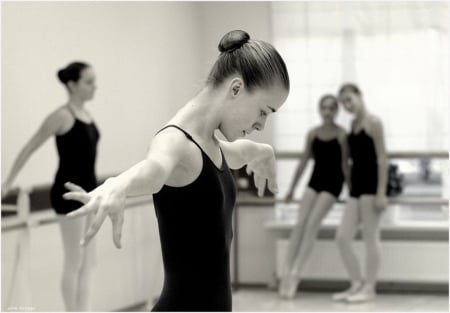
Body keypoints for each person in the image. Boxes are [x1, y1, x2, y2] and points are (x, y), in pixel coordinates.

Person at [62, 30, 290, 311]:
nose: (260, 126)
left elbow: (238, 154)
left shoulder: (209, 145)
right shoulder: (175, 141)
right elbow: (154, 171)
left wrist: (263, 152)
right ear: (235, 89)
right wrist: (117, 184)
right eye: (263, 112)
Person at [2, 61, 99, 311]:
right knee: (74, 261)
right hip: (67, 194)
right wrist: (7, 183)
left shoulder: (87, 116)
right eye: (88, 82)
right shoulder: (61, 117)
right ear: (72, 85)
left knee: (89, 262)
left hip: (90, 193)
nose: (94, 87)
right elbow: (29, 148)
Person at [279, 94, 349, 299]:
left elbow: (345, 164)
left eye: (331, 108)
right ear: (320, 110)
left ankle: (295, 275)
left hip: (333, 184)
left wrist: (352, 190)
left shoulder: (342, 134)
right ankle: (285, 272)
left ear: (336, 111)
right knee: (299, 224)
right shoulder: (313, 134)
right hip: (315, 181)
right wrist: (291, 189)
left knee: (311, 225)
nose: (328, 112)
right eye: (324, 108)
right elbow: (303, 161)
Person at [332, 83, 388, 302]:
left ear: (359, 96)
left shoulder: (374, 123)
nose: (347, 105)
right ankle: (357, 283)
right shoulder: (351, 126)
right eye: (343, 102)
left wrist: (381, 192)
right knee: (342, 238)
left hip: (372, 188)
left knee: (370, 238)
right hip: (355, 189)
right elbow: (346, 162)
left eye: (349, 99)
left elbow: (382, 158)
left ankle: (370, 288)